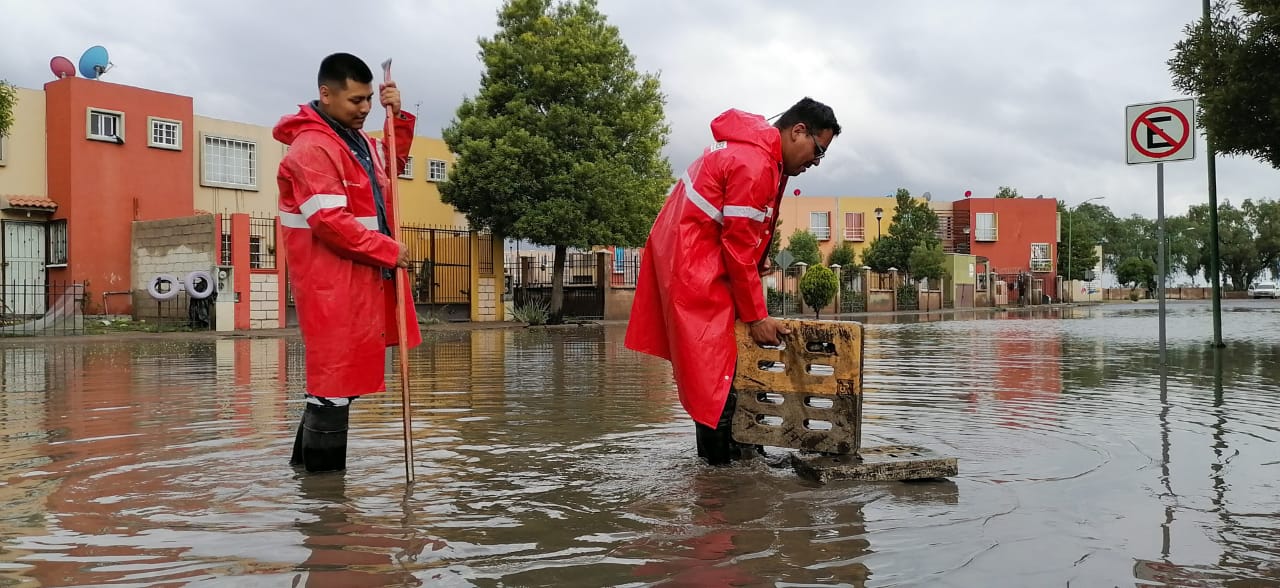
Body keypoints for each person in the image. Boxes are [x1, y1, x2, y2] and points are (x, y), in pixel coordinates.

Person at [624, 97, 841, 465]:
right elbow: (737, 248)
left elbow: (737, 233)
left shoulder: (756, 155)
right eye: (817, 150)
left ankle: (743, 461)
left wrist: (760, 256)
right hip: (695, 270)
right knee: (717, 376)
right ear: (797, 131)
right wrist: (757, 317)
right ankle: (724, 476)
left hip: (692, 260)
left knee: (729, 370)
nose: (816, 162)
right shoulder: (755, 164)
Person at [274, 52, 422, 473]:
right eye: (356, 100)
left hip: (360, 279)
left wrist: (397, 119)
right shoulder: (312, 148)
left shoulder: (356, 144)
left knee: (337, 386)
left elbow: (389, 168)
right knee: (333, 384)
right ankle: (324, 500)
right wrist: (391, 251)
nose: (364, 108)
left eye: (370, 99)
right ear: (326, 93)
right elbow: (330, 224)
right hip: (332, 283)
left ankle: (313, 492)